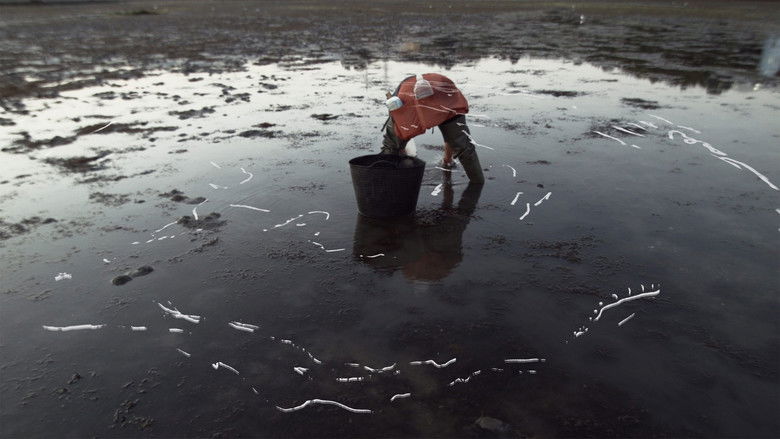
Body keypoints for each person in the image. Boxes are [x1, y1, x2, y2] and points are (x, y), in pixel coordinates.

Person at [380, 73, 485, 183]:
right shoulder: (403, 112)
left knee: (459, 142)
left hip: (445, 97)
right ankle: (477, 181)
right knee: (457, 140)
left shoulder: (447, 105)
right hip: (424, 100)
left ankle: (468, 176)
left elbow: (392, 145)